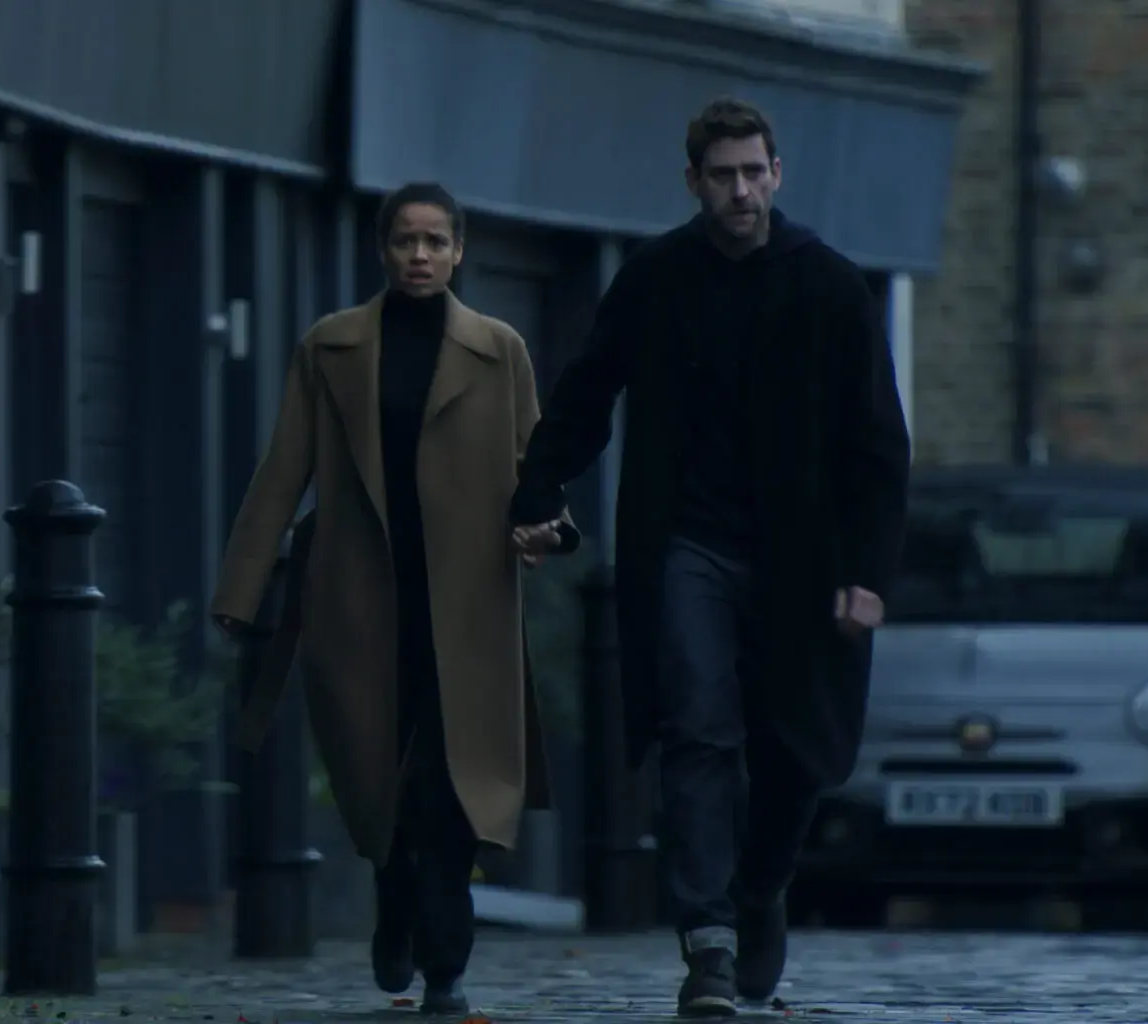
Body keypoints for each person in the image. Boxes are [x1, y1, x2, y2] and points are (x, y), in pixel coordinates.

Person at [507, 97, 910, 1017]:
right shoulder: (655, 278)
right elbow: (586, 393)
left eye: (753, 172)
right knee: (696, 728)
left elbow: (878, 445)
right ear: (693, 182)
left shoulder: (829, 286)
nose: (741, 190)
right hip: (688, 543)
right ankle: (710, 943)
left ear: (778, 174)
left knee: (794, 754)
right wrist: (536, 491)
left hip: (805, 558)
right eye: (722, 175)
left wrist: (869, 574)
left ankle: (760, 888)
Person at [213, 182, 574, 1016]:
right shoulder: (332, 347)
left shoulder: (499, 350)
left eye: (435, 241)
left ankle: (446, 962)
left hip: (469, 603)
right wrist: (242, 587)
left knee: (453, 782)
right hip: (360, 598)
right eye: (405, 240)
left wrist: (551, 529)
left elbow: (537, 464)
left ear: (458, 252)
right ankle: (394, 888)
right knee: (379, 774)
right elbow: (284, 467)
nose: (420, 255)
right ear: (382, 249)